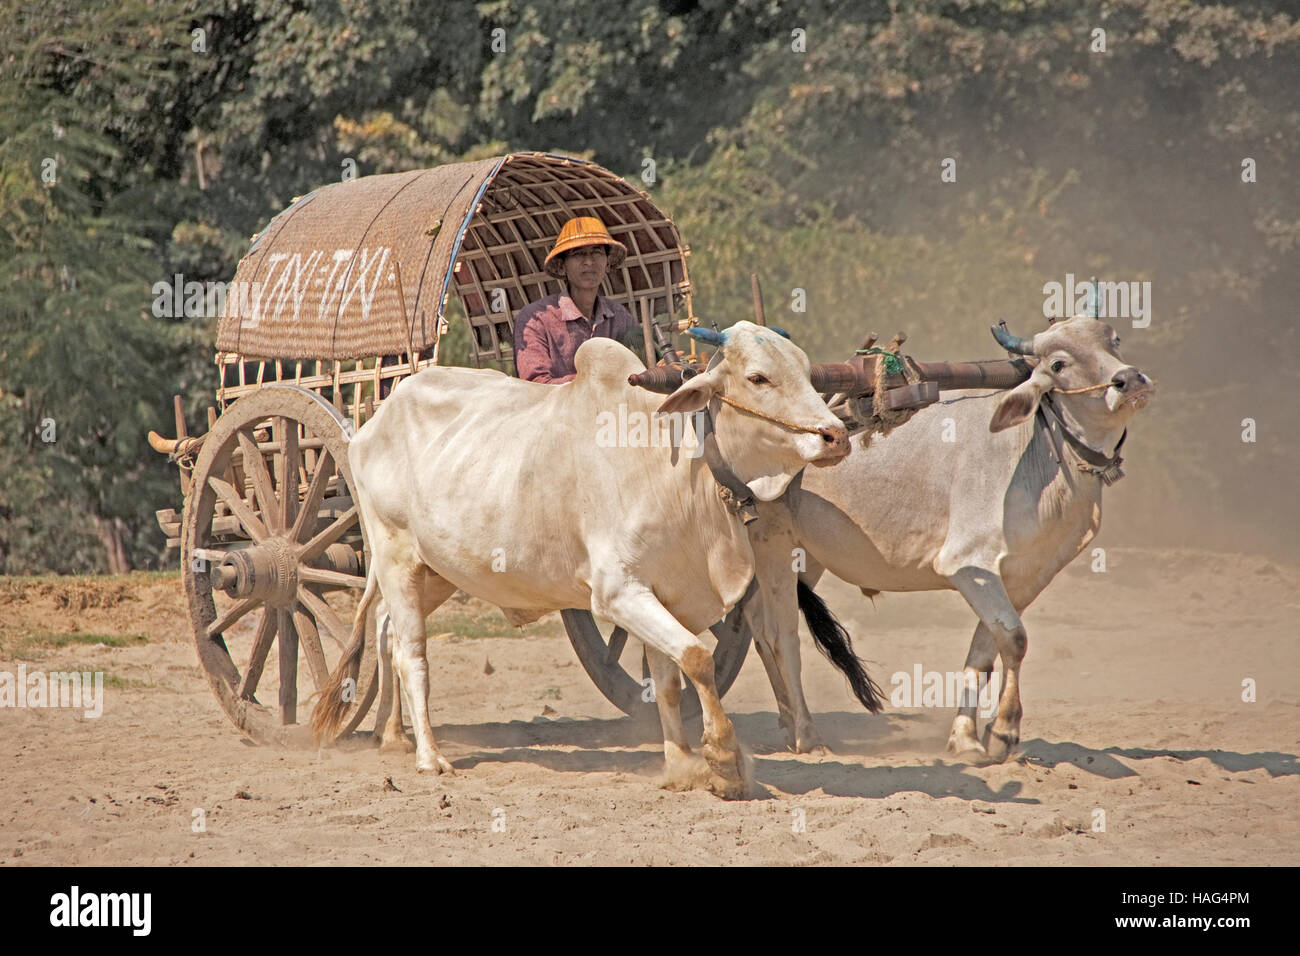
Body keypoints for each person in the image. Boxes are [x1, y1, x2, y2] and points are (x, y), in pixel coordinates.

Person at [513, 216, 638, 383]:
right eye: (578, 254)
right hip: (556, 409)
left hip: (613, 409)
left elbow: (639, 367)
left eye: (596, 252)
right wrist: (590, 382)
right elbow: (536, 384)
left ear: (607, 263)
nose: (589, 261)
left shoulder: (620, 317)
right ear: (562, 266)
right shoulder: (536, 319)